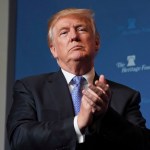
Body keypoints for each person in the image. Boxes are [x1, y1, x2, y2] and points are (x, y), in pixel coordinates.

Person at [7, 8, 150, 150]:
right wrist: (77, 123)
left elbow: (144, 144)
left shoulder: (126, 96)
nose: (74, 36)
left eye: (81, 29)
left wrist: (106, 116)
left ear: (96, 43)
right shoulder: (30, 88)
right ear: (53, 49)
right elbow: (19, 138)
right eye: (64, 32)